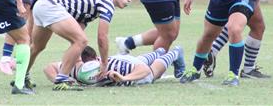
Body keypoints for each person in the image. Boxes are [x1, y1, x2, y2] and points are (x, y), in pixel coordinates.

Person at [27, 0, 133, 91]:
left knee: (37, 47)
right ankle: (61, 80)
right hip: (51, 6)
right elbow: (102, 37)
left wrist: (78, 62)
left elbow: (78, 29)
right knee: (81, 41)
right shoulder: (107, 2)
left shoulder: (91, 5)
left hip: (41, 5)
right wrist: (104, 62)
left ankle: (22, 77)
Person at [44, 45, 186, 86]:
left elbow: (143, 70)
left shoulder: (114, 65)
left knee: (153, 72)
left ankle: (176, 52)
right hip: (130, 60)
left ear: (98, 60)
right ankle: (158, 51)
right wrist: (59, 80)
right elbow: (48, 67)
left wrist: (124, 78)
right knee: (140, 59)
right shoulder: (75, 68)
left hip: (133, 69)